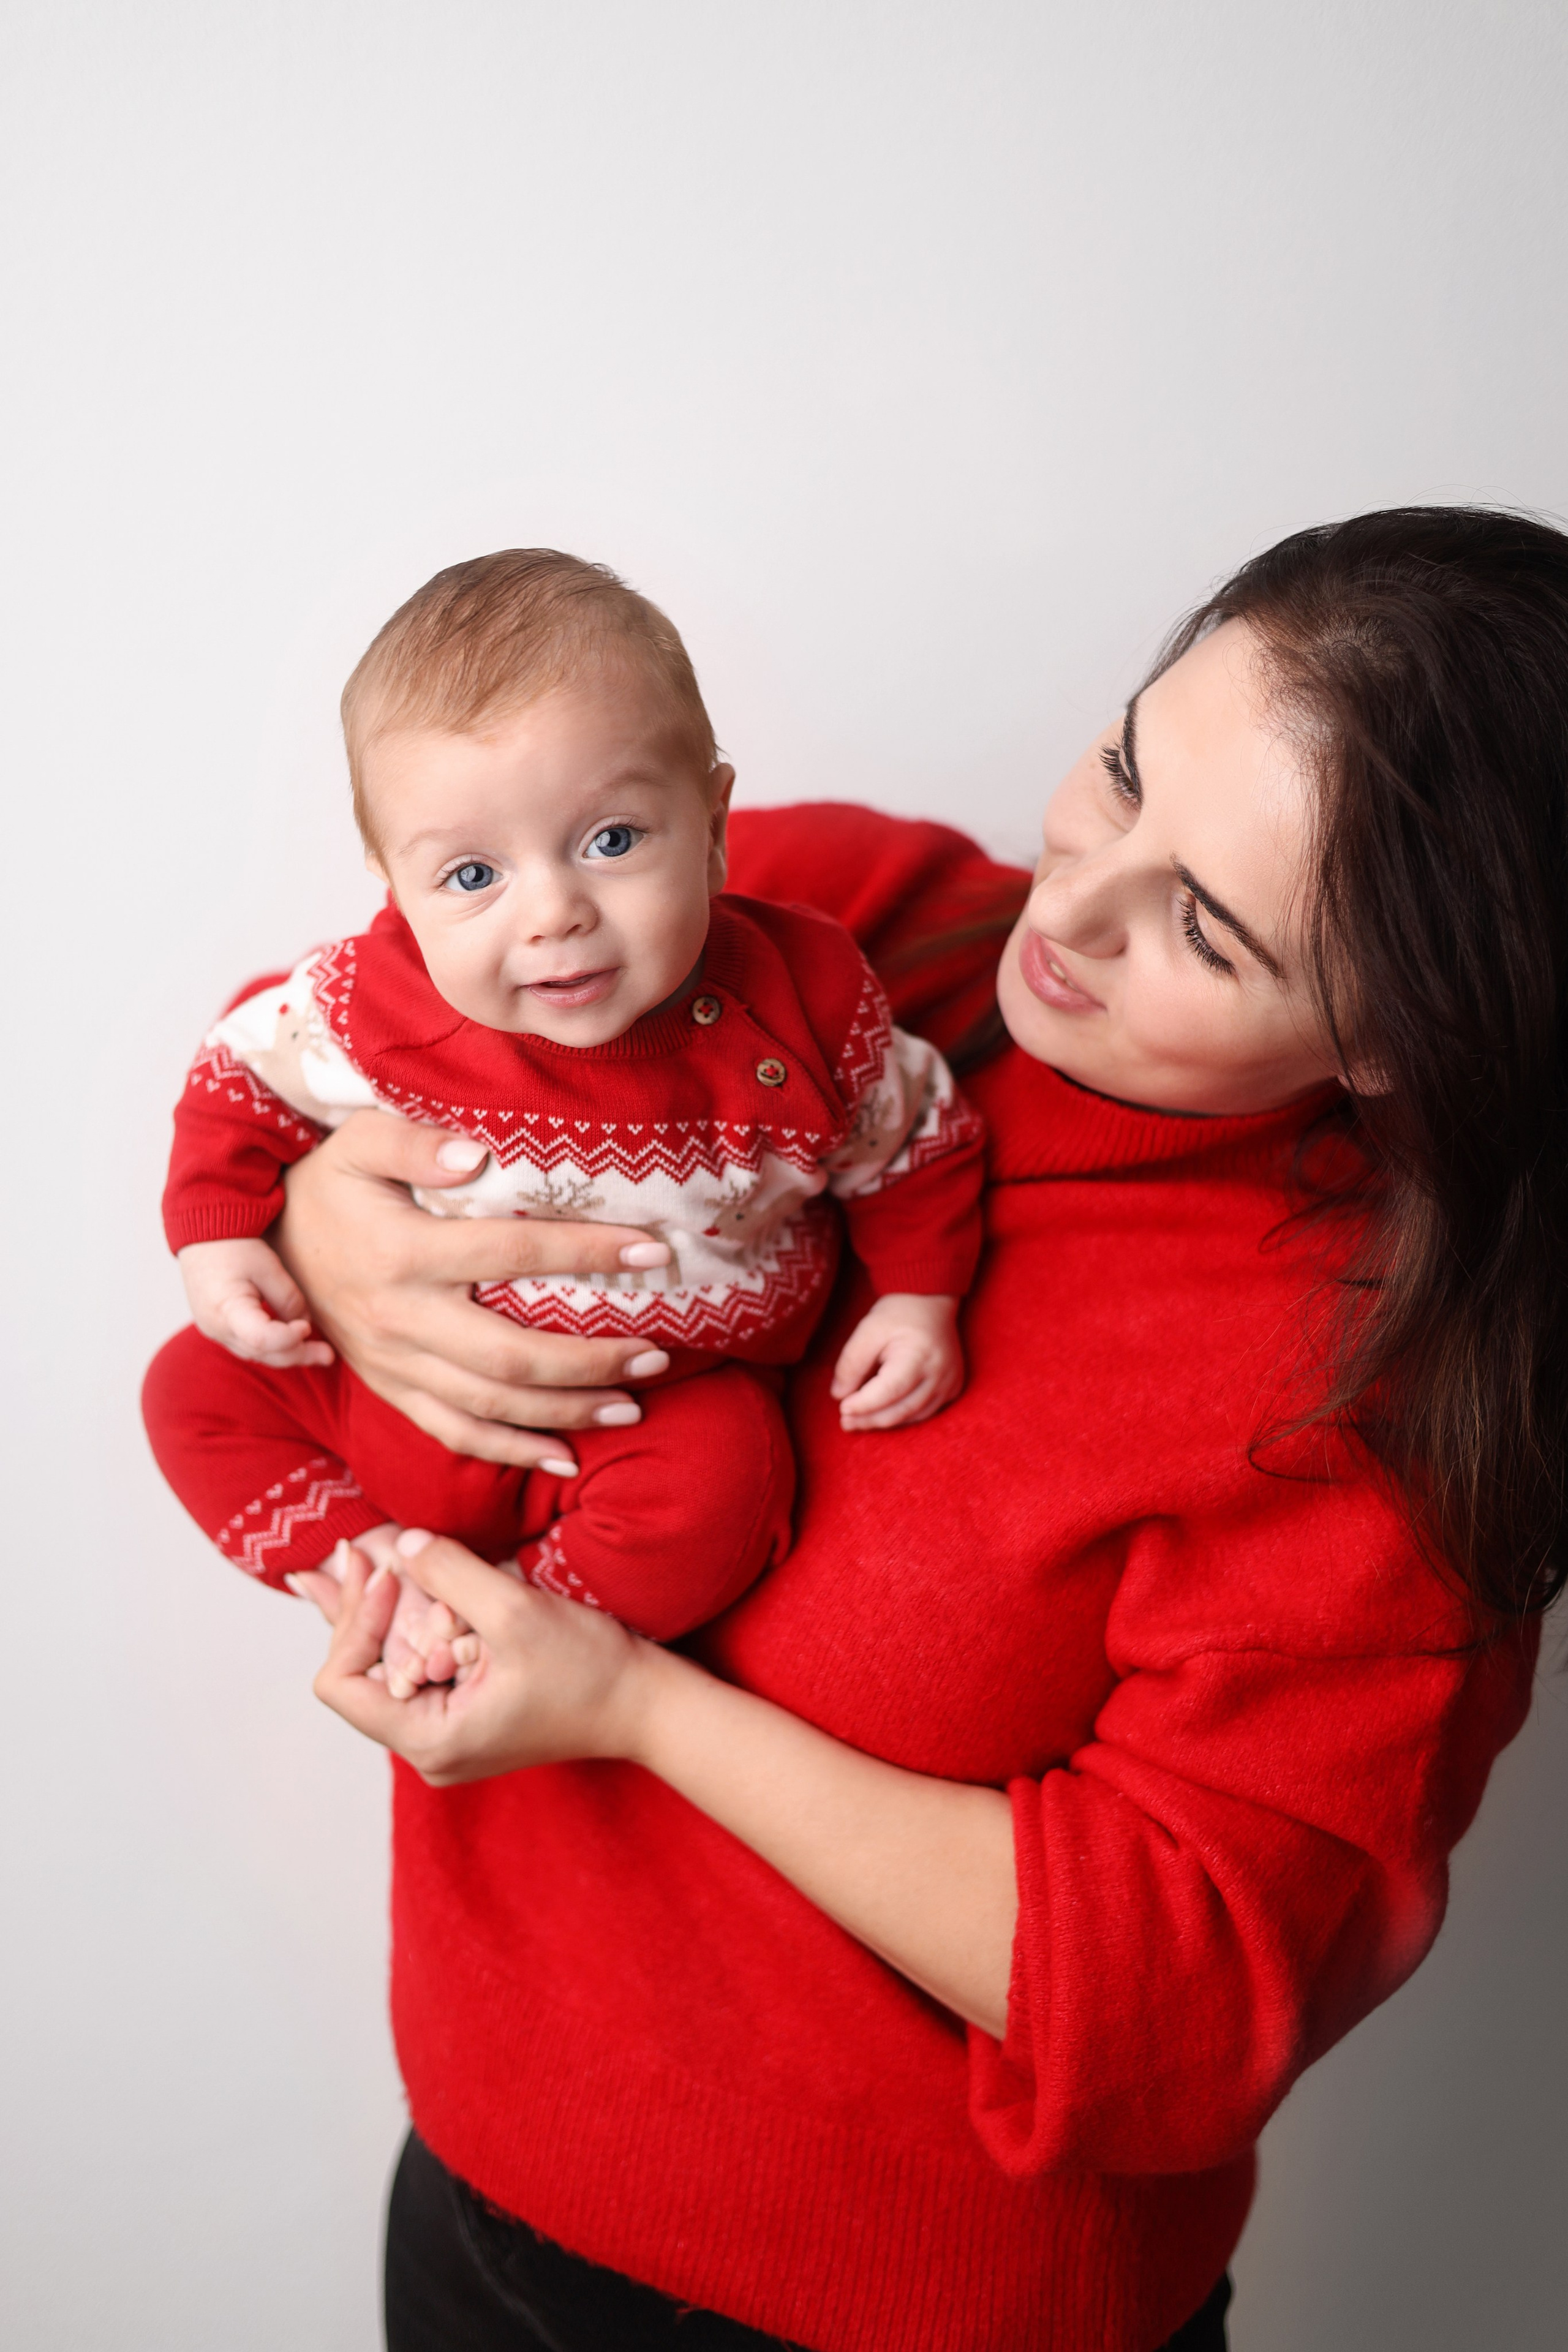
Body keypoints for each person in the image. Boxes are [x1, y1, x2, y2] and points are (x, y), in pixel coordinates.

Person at [266, 509, 1565, 2352]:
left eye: (1203, 924)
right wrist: (329, 1210)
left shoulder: (1379, 1410)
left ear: (1400, 1034)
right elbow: (380, 1000)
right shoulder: (839, 932)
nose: (1075, 909)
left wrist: (633, 1706)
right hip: (472, 2187)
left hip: (861, 2316)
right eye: (1124, 770)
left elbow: (1174, 2004)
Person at [143, 551, 982, 1691]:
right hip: (380, 1387)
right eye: (474, 874)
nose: (554, 914)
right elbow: (242, 1071)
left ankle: (515, 1629)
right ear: (396, 884)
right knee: (191, 1389)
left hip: (648, 1404)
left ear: (714, 823)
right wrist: (220, 1232)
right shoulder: (369, 1002)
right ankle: (374, 1572)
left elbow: (915, 1138)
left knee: (727, 1491)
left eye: (613, 841)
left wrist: (920, 1298)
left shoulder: (805, 1007)